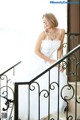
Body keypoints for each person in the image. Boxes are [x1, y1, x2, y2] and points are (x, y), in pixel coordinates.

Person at [11, 13, 67, 120]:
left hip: (50, 61)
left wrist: (59, 62)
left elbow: (60, 48)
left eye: (45, 21)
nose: (44, 24)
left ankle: (51, 107)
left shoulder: (61, 31)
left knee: (57, 76)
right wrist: (51, 61)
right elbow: (36, 51)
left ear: (51, 20)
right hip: (38, 60)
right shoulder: (43, 34)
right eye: (43, 22)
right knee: (35, 85)